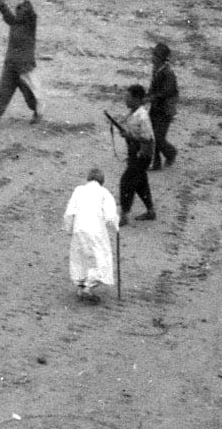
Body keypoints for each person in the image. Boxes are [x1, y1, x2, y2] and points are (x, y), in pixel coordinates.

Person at [0, 0, 41, 127]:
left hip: (24, 66)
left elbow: (32, 12)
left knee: (28, 93)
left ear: (27, 14)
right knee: (3, 90)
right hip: (11, 64)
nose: (18, 12)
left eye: (21, 10)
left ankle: (37, 111)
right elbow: (3, 8)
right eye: (18, 10)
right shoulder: (15, 22)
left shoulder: (30, 24)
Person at [64, 167, 120, 304]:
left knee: (79, 258)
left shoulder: (79, 190)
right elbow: (110, 215)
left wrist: (69, 229)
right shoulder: (104, 193)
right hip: (95, 231)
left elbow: (69, 212)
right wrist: (116, 227)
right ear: (102, 181)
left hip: (79, 229)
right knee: (98, 258)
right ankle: (88, 288)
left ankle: (80, 285)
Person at [112, 85, 159, 221]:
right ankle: (150, 211)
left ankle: (124, 215)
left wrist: (129, 136)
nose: (126, 100)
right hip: (137, 153)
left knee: (126, 182)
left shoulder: (142, 116)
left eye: (128, 98)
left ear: (137, 99)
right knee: (140, 183)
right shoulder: (134, 112)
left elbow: (148, 138)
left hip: (142, 154)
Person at [148, 41, 181, 166]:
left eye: (155, 56)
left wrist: (151, 97)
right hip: (156, 107)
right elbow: (153, 87)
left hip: (165, 110)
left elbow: (166, 92)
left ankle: (171, 153)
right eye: (153, 54)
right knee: (152, 134)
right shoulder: (157, 69)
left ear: (161, 59)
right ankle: (155, 161)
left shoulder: (168, 73)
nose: (153, 58)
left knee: (158, 138)